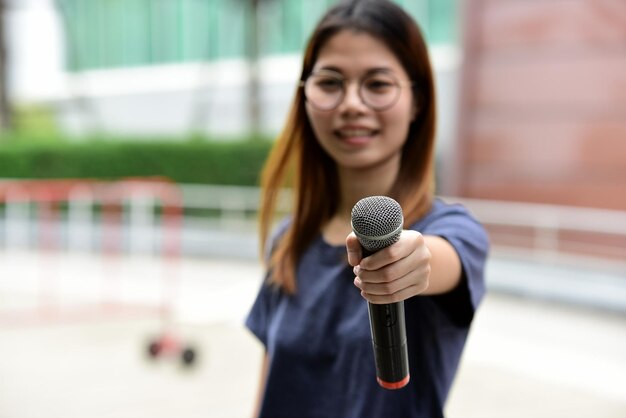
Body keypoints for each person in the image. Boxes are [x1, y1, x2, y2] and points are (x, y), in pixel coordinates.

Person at [245, 0, 489, 417]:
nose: (352, 104)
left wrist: (410, 261)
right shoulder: (288, 241)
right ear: (304, 97)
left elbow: (436, 258)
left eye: (377, 84)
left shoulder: (453, 230)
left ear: (417, 101)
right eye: (330, 82)